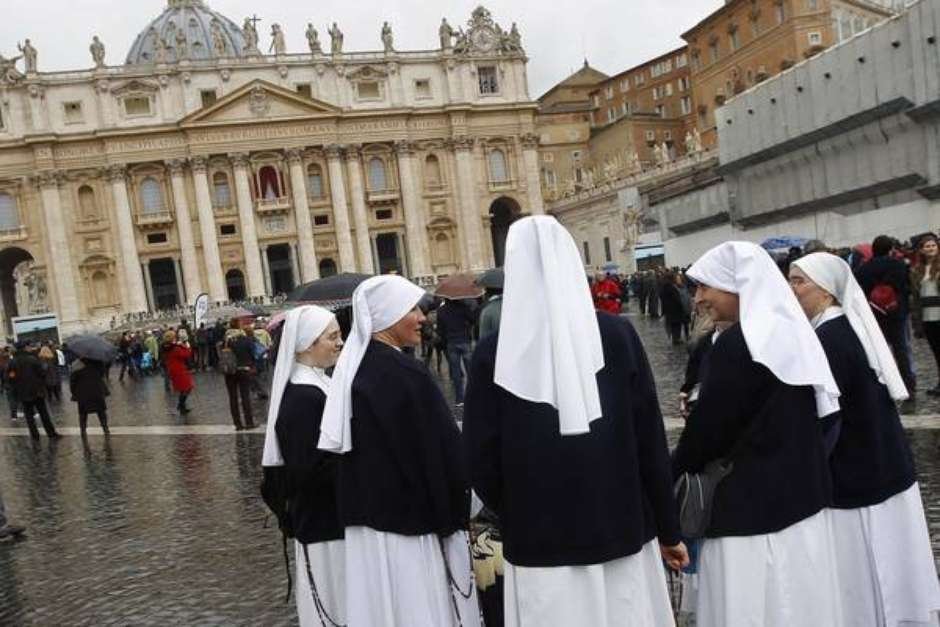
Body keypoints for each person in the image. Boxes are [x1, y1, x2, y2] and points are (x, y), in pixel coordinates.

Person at [463, 217, 686, 627]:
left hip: (538, 535)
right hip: (621, 524)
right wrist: (669, 529)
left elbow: (480, 457)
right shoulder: (619, 336)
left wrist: (519, 506)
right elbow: (650, 441)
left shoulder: (493, 353)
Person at [672, 241, 842, 627]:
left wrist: (671, 474)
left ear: (736, 287)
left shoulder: (736, 344)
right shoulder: (791, 332)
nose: (698, 299)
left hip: (745, 512)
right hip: (800, 503)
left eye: (705, 287)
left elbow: (707, 433)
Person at [318, 275, 479, 627]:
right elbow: (438, 454)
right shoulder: (405, 374)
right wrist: (453, 514)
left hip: (368, 525)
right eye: (411, 309)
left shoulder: (357, 369)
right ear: (387, 315)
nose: (422, 317)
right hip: (408, 525)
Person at [789, 252, 940, 626]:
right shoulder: (845, 326)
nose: (792, 290)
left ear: (827, 292)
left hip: (856, 473)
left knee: (864, 578)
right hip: (881, 464)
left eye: (799, 281)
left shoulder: (829, 336)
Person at [261, 306, 346, 626]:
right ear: (305, 344)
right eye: (332, 337)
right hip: (326, 523)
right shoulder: (303, 397)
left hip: (334, 518)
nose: (340, 343)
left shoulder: (315, 384)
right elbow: (310, 470)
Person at [855, 235, 916, 410]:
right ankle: (908, 385)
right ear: (890, 249)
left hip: (875, 315)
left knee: (880, 351)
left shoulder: (863, 269)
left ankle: (884, 384)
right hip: (897, 314)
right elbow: (906, 288)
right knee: (901, 349)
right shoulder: (898, 265)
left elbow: (861, 294)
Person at [8, 342, 59, 439]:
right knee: (43, 413)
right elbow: (42, 373)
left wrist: (17, 388)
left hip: (23, 393)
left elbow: (11, 377)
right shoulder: (32, 359)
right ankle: (51, 434)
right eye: (29, 346)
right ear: (25, 347)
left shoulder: (13, 362)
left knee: (29, 416)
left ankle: (35, 436)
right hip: (37, 391)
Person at [912, 232, 940, 396]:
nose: (930, 248)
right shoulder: (917, 270)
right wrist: (917, 323)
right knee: (936, 352)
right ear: (921, 250)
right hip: (928, 317)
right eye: (927, 246)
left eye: (933, 245)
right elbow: (916, 298)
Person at [436, 297, 476, 406]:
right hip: (464, 340)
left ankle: (459, 399)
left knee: (456, 372)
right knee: (470, 370)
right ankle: (474, 395)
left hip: (451, 342)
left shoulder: (441, 311)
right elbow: (473, 319)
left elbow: (440, 329)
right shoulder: (463, 307)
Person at [223, 321, 256, 430]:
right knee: (245, 396)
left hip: (230, 371)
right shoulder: (245, 339)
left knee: (233, 398)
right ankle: (249, 422)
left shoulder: (226, 340)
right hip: (244, 370)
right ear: (239, 327)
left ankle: (238, 424)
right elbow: (253, 353)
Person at [69, 358, 110, 437]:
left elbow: (72, 381)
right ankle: (105, 429)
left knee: (83, 413)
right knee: (101, 412)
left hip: (83, 393)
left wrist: (74, 392)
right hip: (97, 390)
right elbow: (102, 374)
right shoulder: (98, 362)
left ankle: (83, 431)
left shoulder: (76, 365)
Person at [162, 330, 194, 415]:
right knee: (188, 387)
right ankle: (181, 405)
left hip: (173, 369)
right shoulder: (175, 348)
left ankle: (182, 407)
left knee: (183, 388)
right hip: (179, 370)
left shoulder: (167, 347)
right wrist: (187, 346)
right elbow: (186, 354)